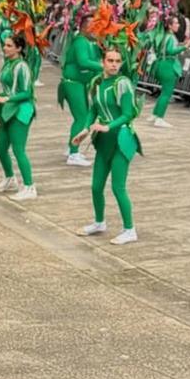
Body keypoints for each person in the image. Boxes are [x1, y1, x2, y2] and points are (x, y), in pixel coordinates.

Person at [73, 47, 141, 245]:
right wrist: (85, 130)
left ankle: (130, 230)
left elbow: (128, 114)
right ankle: (99, 222)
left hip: (121, 140)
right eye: (110, 60)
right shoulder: (96, 82)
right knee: (96, 187)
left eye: (117, 61)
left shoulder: (123, 83)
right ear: (102, 62)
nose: (114, 64)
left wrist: (107, 126)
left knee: (118, 187)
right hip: (103, 141)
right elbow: (93, 110)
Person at [0, 34, 37, 200]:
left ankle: (29, 187)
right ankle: (10, 179)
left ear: (19, 48)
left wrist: (9, 99)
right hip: (8, 109)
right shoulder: (8, 63)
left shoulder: (22, 66)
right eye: (5, 45)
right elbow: (9, 90)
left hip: (21, 111)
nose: (5, 47)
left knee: (18, 149)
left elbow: (27, 93)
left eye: (9, 45)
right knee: (0, 148)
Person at [58, 20, 100, 166]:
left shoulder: (87, 42)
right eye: (93, 26)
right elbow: (83, 62)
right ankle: (73, 153)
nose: (96, 29)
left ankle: (72, 147)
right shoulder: (81, 41)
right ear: (84, 28)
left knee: (84, 117)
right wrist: (103, 66)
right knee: (82, 118)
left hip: (78, 83)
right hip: (73, 83)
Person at [148, 15, 188, 128]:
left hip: (160, 64)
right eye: (176, 23)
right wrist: (184, 47)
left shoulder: (163, 36)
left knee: (163, 92)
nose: (178, 25)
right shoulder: (171, 37)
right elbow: (171, 51)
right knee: (167, 93)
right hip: (168, 66)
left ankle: (155, 114)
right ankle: (159, 118)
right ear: (170, 26)